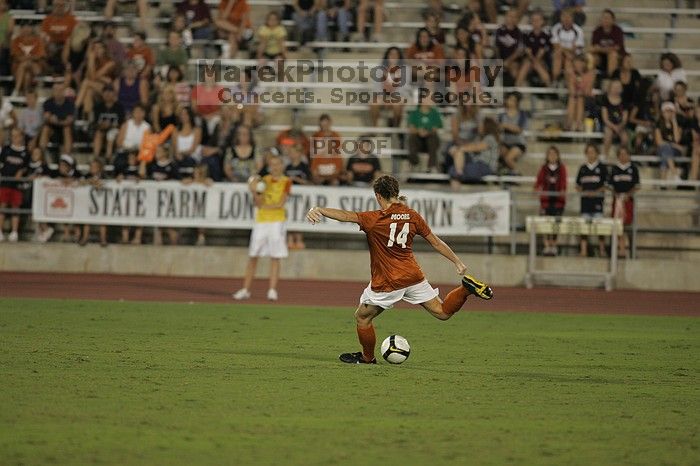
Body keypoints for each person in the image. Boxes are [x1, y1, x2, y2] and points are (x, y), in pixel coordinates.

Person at [305, 174, 493, 364]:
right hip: (413, 277)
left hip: (388, 280)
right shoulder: (412, 216)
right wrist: (457, 261)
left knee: (362, 317)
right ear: (396, 192)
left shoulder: (374, 219)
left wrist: (318, 209)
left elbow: (346, 216)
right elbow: (436, 242)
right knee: (443, 312)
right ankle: (465, 289)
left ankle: (368, 358)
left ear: (378, 196)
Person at [233, 155, 292, 301]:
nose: (275, 167)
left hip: (277, 222)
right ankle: (246, 289)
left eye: (277, 164)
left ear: (282, 165)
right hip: (261, 221)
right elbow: (258, 202)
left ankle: (272, 290)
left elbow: (281, 203)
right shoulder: (263, 181)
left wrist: (265, 205)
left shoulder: (286, 181)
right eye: (272, 164)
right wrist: (254, 191)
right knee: (253, 255)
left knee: (275, 256)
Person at [575, 143, 607, 257]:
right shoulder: (583, 168)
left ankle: (602, 250)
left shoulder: (602, 168)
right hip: (585, 203)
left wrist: (596, 192)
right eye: (588, 152)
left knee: (600, 227)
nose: (590, 154)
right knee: (584, 227)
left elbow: (606, 185)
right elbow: (578, 185)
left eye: (592, 152)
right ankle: (583, 250)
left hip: (597, 203)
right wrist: (584, 192)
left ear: (597, 154)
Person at [534, 146, 567, 256]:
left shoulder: (561, 168)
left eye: (554, 154)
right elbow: (538, 183)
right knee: (546, 223)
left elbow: (563, 183)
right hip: (546, 202)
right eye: (550, 154)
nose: (552, 156)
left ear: (557, 156)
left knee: (555, 225)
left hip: (558, 202)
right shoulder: (543, 169)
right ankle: (547, 245)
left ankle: (554, 244)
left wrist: (562, 191)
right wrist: (538, 189)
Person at [449, 117, 500, 185]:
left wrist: (460, 148)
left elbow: (477, 147)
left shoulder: (490, 138)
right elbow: (470, 146)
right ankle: (458, 175)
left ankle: (458, 175)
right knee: (454, 169)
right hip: (475, 164)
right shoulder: (479, 138)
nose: (478, 127)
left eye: (480, 125)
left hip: (485, 166)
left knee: (455, 170)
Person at [0, 127, 29, 242]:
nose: (15, 138)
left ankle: (14, 232)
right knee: (2, 206)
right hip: (5, 183)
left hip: (17, 186)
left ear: (22, 137)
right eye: (13, 136)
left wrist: (22, 171)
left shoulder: (25, 152)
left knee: (15, 208)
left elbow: (26, 167)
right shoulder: (6, 149)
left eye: (18, 136)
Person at [608, 146, 639, 258]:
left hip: (628, 202)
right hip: (617, 202)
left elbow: (637, 186)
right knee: (617, 225)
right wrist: (616, 195)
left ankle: (629, 249)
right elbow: (610, 186)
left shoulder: (633, 169)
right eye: (621, 154)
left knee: (628, 226)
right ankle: (619, 250)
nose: (623, 156)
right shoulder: (614, 169)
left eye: (625, 154)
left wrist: (627, 195)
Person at [284, 143, 311, 250]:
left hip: (301, 197)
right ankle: (290, 239)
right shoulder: (287, 167)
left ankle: (299, 239)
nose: (292, 155)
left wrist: (296, 179)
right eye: (290, 153)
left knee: (299, 217)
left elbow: (309, 182)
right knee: (290, 216)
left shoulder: (304, 167)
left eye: (294, 152)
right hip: (290, 197)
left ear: (300, 154)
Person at [10, 21, 46, 96]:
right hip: (20, 68)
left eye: (28, 27)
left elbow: (40, 55)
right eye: (24, 27)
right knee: (27, 75)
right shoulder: (16, 41)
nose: (26, 29)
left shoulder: (38, 40)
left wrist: (29, 58)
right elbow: (16, 56)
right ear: (21, 29)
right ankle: (26, 94)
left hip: (35, 67)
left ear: (31, 29)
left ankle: (16, 89)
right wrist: (28, 59)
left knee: (25, 65)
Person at [517, 9, 551, 86]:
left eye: (538, 20)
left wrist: (535, 62)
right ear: (531, 22)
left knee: (537, 64)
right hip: (530, 59)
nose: (536, 22)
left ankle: (549, 85)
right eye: (533, 20)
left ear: (542, 21)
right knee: (527, 63)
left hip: (541, 60)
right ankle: (517, 86)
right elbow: (528, 51)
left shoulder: (546, 36)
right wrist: (533, 61)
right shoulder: (526, 35)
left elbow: (542, 51)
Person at [78, 159, 108, 247]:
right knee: (87, 220)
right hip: (89, 203)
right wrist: (90, 181)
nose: (92, 168)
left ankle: (103, 239)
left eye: (95, 166)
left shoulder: (104, 176)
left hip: (102, 203)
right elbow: (80, 182)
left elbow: (107, 183)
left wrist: (98, 183)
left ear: (99, 168)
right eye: (91, 166)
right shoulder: (87, 176)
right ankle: (85, 238)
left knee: (103, 221)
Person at [407, 99, 442, 172]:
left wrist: (427, 132)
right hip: (418, 140)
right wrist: (419, 131)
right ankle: (414, 163)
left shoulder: (435, 113)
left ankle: (432, 166)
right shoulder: (415, 113)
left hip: (431, 140)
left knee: (433, 137)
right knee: (412, 137)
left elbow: (436, 128)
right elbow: (411, 128)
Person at [39, 82, 74, 156]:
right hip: (52, 131)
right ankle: (41, 154)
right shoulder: (48, 103)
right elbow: (46, 118)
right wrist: (60, 121)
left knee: (66, 129)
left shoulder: (70, 104)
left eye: (60, 90)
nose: (58, 92)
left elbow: (69, 120)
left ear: (64, 91)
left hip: (64, 130)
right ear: (53, 91)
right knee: (46, 128)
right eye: (56, 90)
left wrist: (56, 121)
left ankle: (67, 156)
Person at [551, 8, 584, 82]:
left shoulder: (578, 30)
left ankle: (567, 83)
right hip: (560, 54)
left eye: (568, 17)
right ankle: (555, 80)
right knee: (558, 56)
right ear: (561, 18)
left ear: (573, 18)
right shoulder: (556, 28)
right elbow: (555, 46)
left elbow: (574, 49)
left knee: (568, 60)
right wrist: (566, 51)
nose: (566, 19)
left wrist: (564, 49)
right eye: (564, 16)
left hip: (574, 55)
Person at [498, 92, 528, 173]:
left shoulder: (522, 114)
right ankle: (504, 173)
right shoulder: (502, 115)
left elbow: (519, 129)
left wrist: (505, 126)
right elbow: (498, 127)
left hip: (518, 143)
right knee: (498, 153)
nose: (510, 102)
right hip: (505, 142)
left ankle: (516, 173)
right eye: (509, 100)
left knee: (509, 158)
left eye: (513, 100)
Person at [92, 85, 125, 161]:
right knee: (98, 134)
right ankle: (96, 157)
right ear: (102, 94)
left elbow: (122, 124)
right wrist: (102, 125)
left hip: (115, 130)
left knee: (112, 134)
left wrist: (111, 125)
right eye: (106, 93)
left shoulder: (119, 107)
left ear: (114, 94)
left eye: (110, 93)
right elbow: (94, 123)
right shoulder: (98, 107)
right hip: (101, 129)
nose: (108, 95)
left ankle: (109, 157)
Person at [590, 9, 624, 78]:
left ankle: (610, 79)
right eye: (603, 18)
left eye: (607, 18)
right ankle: (592, 80)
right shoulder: (597, 31)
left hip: (617, 57)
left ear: (613, 20)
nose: (605, 20)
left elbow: (617, 48)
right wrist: (607, 49)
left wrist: (601, 49)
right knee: (591, 57)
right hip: (601, 57)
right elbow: (593, 48)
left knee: (612, 55)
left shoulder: (618, 31)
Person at [655, 101, 684, 182]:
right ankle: (674, 174)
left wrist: (674, 122)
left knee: (666, 151)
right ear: (662, 112)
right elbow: (659, 142)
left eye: (670, 111)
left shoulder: (678, 125)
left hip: (675, 151)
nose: (668, 113)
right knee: (666, 149)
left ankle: (663, 182)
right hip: (662, 149)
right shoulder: (658, 125)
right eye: (666, 111)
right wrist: (672, 145)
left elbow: (677, 139)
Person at [311, 114, 343, 185]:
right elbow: (313, 150)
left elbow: (337, 149)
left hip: (330, 160)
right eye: (323, 123)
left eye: (326, 123)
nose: (325, 126)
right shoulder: (316, 135)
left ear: (330, 123)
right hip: (320, 160)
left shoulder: (336, 135)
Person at [566, 54, 595, 132]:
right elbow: (571, 89)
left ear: (584, 63)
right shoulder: (571, 72)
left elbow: (587, 90)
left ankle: (577, 124)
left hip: (587, 98)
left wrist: (578, 89)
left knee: (580, 98)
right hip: (575, 97)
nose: (577, 65)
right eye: (576, 63)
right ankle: (570, 124)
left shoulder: (591, 73)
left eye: (579, 63)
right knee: (573, 98)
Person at [495, 9, 524, 86]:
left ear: (517, 19)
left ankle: (510, 92)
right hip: (500, 58)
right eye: (510, 16)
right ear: (506, 17)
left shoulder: (519, 33)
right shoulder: (499, 30)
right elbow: (496, 47)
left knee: (514, 71)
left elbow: (519, 51)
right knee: (491, 70)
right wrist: (499, 59)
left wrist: (508, 61)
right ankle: (491, 93)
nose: (512, 18)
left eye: (514, 17)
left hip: (513, 60)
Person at [600, 79, 629, 157]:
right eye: (614, 87)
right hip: (609, 125)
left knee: (625, 138)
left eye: (618, 87)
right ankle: (605, 155)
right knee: (608, 134)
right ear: (610, 88)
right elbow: (605, 118)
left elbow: (625, 118)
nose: (616, 89)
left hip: (620, 125)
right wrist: (613, 127)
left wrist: (620, 126)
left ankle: (621, 155)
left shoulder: (624, 101)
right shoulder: (605, 99)